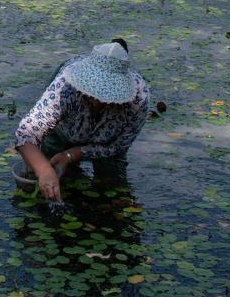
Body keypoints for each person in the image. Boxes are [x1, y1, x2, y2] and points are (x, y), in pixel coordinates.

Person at [12, 40, 149, 201]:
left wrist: (72, 155)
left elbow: (117, 146)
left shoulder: (137, 99)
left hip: (107, 146)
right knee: (53, 178)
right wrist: (43, 171)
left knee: (113, 187)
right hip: (64, 132)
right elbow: (26, 133)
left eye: (106, 95)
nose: (96, 99)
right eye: (92, 90)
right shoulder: (65, 85)